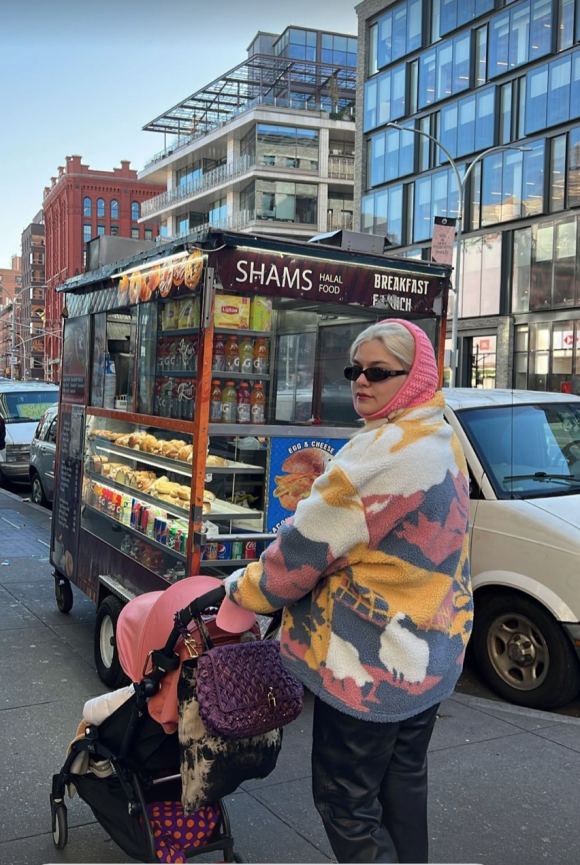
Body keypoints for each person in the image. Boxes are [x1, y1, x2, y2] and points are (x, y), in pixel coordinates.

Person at [224, 319, 473, 864]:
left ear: (415, 376)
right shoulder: (437, 434)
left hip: (368, 664)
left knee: (346, 803)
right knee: (402, 788)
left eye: (379, 373)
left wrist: (239, 595)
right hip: (429, 655)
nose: (361, 382)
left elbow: (299, 556)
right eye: (354, 370)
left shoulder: (380, 453)